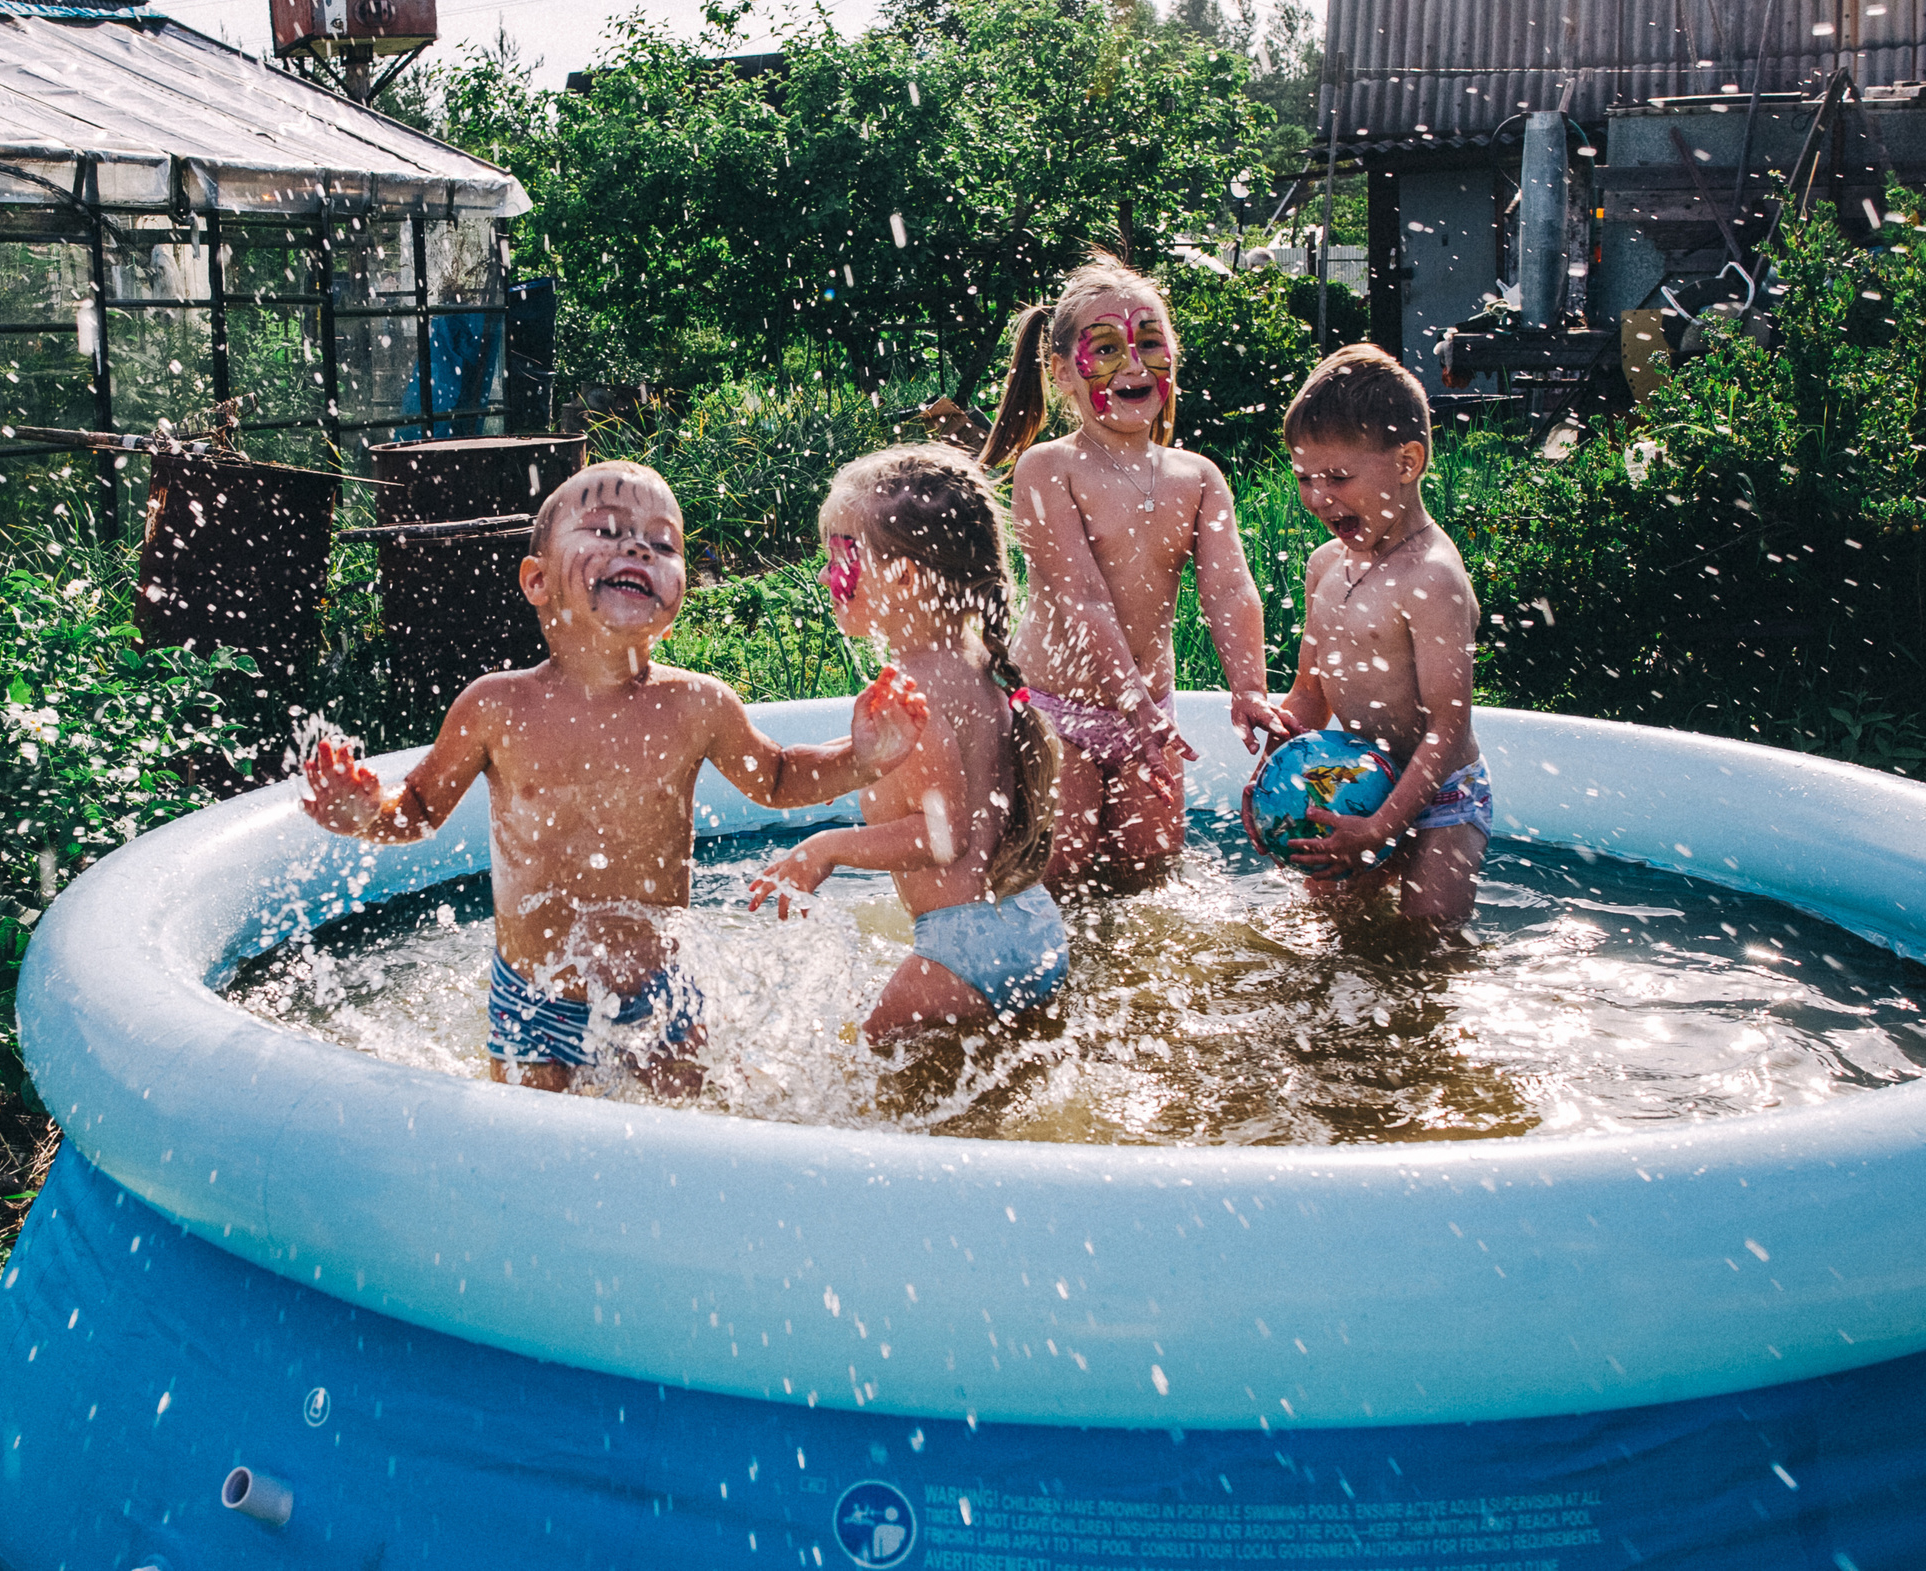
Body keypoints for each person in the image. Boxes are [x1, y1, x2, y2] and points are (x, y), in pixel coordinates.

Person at [300, 460, 928, 1091]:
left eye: (664, 543)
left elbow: (778, 778)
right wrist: (367, 813)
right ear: (538, 579)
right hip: (537, 999)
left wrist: (861, 758)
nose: (637, 547)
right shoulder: (496, 708)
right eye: (604, 529)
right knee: (534, 1140)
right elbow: (418, 808)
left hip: (662, 992)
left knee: (691, 1125)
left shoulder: (696, 706)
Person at [977, 253, 1286, 893]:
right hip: (1057, 711)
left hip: (1151, 708)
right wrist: (1131, 705)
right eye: (1108, 349)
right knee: (1057, 876)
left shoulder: (1196, 477)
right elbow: (1082, 597)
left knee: (1150, 875)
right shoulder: (1048, 468)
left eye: (1150, 343)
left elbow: (1230, 589)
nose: (1135, 365)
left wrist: (1249, 688)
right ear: (1062, 372)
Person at [746, 445, 1068, 1045]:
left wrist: (827, 848)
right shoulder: (978, 668)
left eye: (841, 557)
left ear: (904, 577)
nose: (824, 576)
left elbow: (942, 839)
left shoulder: (912, 689)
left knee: (859, 1084)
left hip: (961, 947)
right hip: (1030, 925)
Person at [1262, 344, 1489, 920]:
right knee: (1330, 935)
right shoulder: (1324, 566)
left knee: (1425, 944)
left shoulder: (1432, 578)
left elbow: (1447, 724)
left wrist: (1383, 828)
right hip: (1355, 787)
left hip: (1441, 799)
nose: (1318, 497)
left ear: (1407, 462)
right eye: (1305, 478)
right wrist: (1271, 766)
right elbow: (1311, 694)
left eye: (1338, 476)